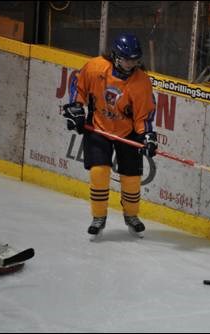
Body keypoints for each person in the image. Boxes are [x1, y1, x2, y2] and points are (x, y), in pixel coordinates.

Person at [62, 33, 157, 239]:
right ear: (115, 55)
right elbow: (77, 85)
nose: (131, 63)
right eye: (127, 59)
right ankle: (98, 217)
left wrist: (147, 136)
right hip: (99, 127)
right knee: (99, 172)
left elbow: (144, 115)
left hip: (127, 131)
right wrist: (75, 107)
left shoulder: (141, 82)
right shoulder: (96, 67)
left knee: (131, 178)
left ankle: (131, 215)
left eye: (135, 59)